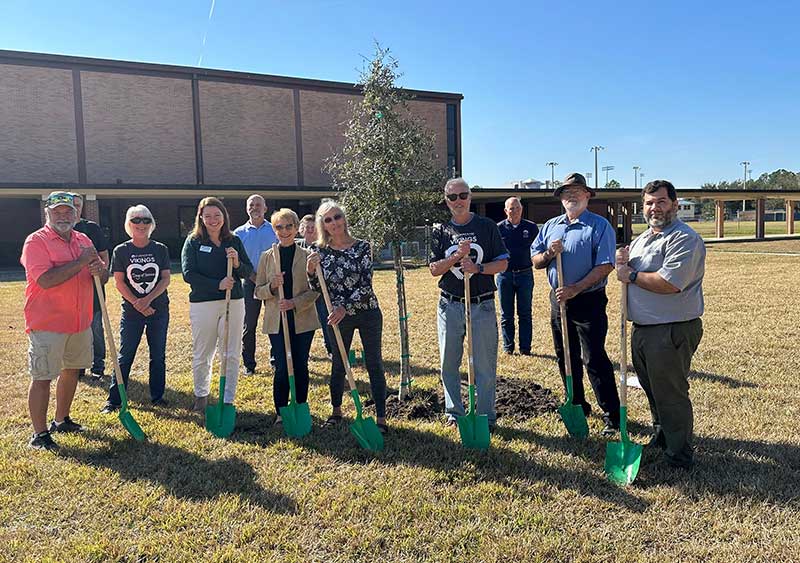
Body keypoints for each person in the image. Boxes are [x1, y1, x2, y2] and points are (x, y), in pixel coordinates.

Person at [615, 180, 705, 469]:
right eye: (649, 203)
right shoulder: (643, 239)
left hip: (670, 329)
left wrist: (629, 275)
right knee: (652, 389)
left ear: (675, 204)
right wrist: (624, 262)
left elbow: (669, 283)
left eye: (661, 201)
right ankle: (663, 436)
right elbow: (630, 269)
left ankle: (678, 455)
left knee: (671, 393)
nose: (655, 207)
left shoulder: (684, 239)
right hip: (643, 329)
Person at [531, 172, 621, 435]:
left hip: (588, 299)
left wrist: (575, 288)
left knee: (593, 357)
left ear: (587, 195)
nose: (571, 195)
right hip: (558, 300)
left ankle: (612, 414)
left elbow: (605, 266)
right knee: (565, 356)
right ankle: (577, 403)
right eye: (566, 192)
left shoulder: (599, 226)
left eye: (577, 191)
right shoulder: (550, 226)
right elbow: (535, 261)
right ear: (560, 198)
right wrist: (549, 253)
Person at [20, 191, 108, 450]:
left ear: (77, 214)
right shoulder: (36, 242)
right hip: (48, 322)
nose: (63, 216)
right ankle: (39, 434)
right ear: (47, 213)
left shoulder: (83, 240)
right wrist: (80, 262)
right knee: (43, 376)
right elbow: (45, 280)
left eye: (68, 211)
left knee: (72, 370)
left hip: (80, 321)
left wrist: (99, 270)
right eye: (57, 211)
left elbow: (101, 278)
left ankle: (62, 419)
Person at [429, 178, 509, 430]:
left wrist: (477, 267)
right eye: (452, 197)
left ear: (470, 197)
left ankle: (486, 416)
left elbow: (503, 263)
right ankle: (454, 413)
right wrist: (456, 256)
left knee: (484, 364)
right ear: (446, 201)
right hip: (449, 305)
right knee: (448, 362)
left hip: (481, 304)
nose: (458, 201)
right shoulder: (439, 230)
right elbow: (433, 269)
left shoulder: (486, 227)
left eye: (462, 195)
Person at [306, 200, 388, 433]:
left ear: (344, 218)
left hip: (367, 312)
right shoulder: (319, 251)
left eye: (337, 217)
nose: (334, 223)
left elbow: (365, 285)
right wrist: (311, 271)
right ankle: (336, 411)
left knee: (374, 363)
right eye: (328, 220)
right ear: (323, 224)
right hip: (338, 317)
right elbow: (316, 288)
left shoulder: (363, 247)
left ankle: (381, 417)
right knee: (339, 364)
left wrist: (344, 306)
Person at [182, 197, 253, 413]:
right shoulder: (193, 242)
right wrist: (218, 284)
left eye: (217, 215)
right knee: (203, 352)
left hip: (234, 302)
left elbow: (247, 271)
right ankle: (201, 397)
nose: (213, 220)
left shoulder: (234, 241)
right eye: (208, 216)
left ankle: (228, 398)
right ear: (201, 218)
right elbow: (188, 274)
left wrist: (238, 263)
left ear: (224, 217)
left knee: (231, 352)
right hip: (204, 304)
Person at [101, 205, 171, 413]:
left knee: (157, 355)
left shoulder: (160, 249)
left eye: (146, 220)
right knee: (125, 356)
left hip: (158, 311)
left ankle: (157, 397)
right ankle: (114, 400)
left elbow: (165, 279)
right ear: (128, 224)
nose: (141, 224)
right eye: (136, 220)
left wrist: (147, 300)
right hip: (132, 314)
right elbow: (119, 282)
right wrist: (137, 303)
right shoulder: (121, 250)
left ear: (152, 224)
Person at [254, 209, 320, 424]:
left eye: (288, 226)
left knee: (300, 364)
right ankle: (281, 412)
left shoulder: (307, 256)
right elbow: (258, 291)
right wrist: (272, 286)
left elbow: (316, 290)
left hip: (302, 319)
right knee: (282, 366)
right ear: (274, 230)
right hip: (277, 321)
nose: (284, 231)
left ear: (296, 228)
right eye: (279, 227)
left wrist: (294, 302)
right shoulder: (267, 257)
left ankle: (300, 406)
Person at [233, 194, 277, 376]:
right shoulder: (238, 234)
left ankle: (276, 361)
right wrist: (251, 276)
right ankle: (249, 365)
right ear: (246, 208)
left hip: (273, 282)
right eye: (251, 205)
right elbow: (237, 262)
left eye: (259, 205)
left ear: (265, 208)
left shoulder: (275, 229)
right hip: (249, 283)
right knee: (249, 324)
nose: (255, 208)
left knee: (274, 322)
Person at [71, 193, 110, 380]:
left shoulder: (91, 228)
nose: (74, 208)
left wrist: (102, 273)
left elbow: (104, 255)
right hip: (69, 291)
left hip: (92, 287)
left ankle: (98, 366)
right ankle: (77, 366)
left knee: (95, 327)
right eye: (71, 205)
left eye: (78, 204)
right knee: (74, 328)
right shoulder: (59, 230)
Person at [496, 196, 538, 355]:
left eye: (518, 208)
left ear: (522, 209)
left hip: (525, 274)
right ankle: (508, 347)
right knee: (506, 314)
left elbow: (538, 248)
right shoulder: (498, 228)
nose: (515, 211)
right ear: (506, 211)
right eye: (511, 208)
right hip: (504, 275)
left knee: (525, 313)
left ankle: (525, 348)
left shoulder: (531, 227)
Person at [298, 213, 333, 358]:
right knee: (303, 323)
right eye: (307, 227)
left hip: (320, 291)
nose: (310, 230)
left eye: (313, 227)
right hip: (302, 291)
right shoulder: (297, 247)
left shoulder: (325, 247)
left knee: (326, 320)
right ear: (301, 230)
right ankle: (303, 352)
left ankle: (331, 349)